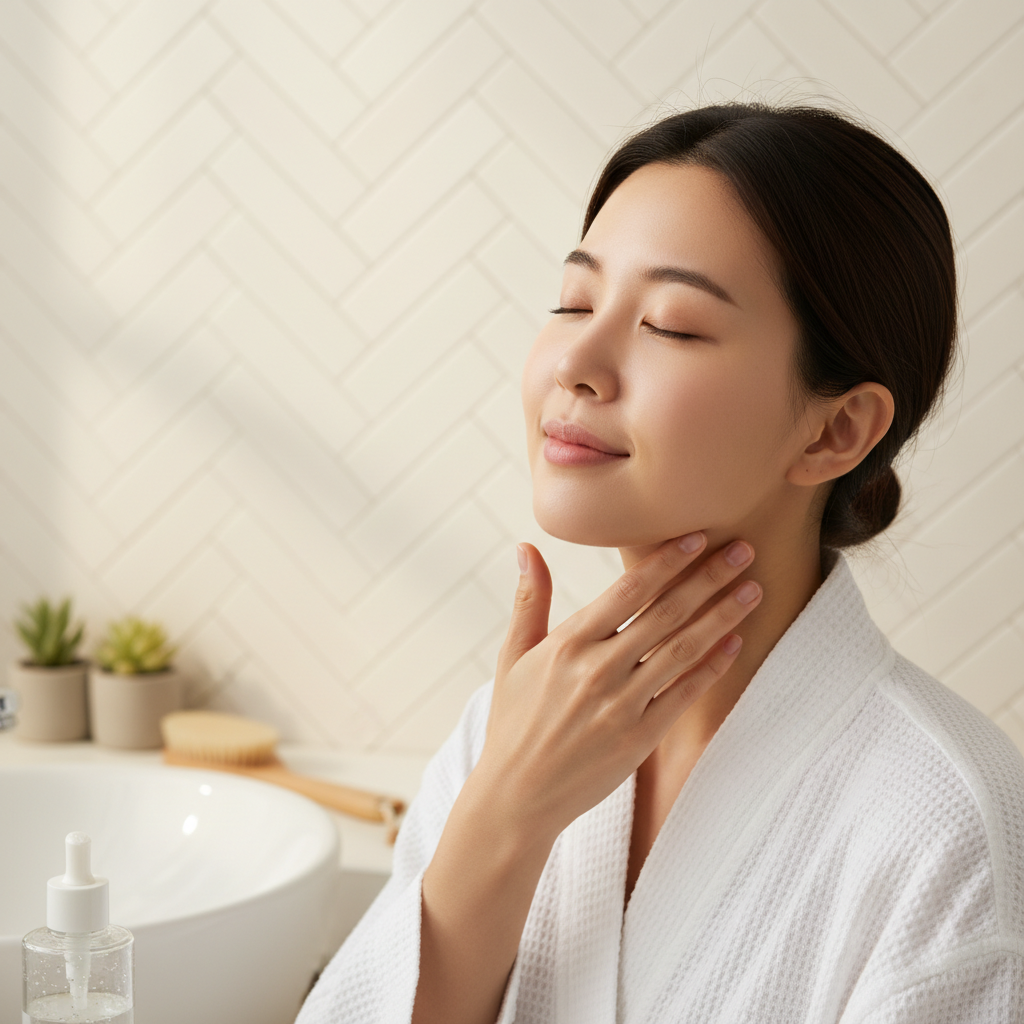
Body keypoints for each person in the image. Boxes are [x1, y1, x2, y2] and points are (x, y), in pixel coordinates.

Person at [296, 103, 1024, 1024]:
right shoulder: (514, 731)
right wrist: (502, 819)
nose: (580, 363)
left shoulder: (945, 825)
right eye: (573, 302)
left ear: (838, 429)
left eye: (672, 325)